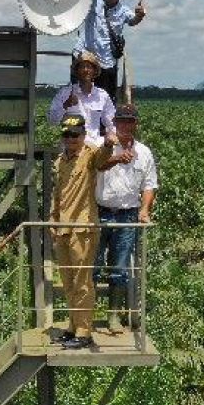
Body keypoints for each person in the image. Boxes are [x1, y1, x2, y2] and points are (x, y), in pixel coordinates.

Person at [51, 113, 116, 350]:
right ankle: (72, 326)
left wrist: (109, 143)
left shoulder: (89, 155)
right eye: (67, 135)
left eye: (75, 134)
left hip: (82, 227)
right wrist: (52, 221)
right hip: (61, 228)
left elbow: (102, 158)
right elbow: (57, 195)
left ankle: (84, 331)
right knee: (68, 282)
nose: (71, 139)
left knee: (82, 282)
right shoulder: (60, 160)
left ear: (83, 134)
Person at [95, 102, 158, 333]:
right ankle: (84, 316)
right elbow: (97, 166)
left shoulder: (144, 152)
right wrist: (117, 158)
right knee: (94, 265)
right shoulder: (103, 147)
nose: (125, 125)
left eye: (130, 121)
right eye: (121, 121)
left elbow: (150, 185)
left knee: (120, 266)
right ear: (115, 123)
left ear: (135, 124)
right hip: (100, 212)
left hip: (128, 215)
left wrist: (144, 210)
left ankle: (113, 316)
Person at [73, 0, 146, 100]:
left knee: (105, 101)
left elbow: (133, 21)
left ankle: (105, 126)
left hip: (107, 63)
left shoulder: (123, 10)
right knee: (80, 100)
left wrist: (140, 15)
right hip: (87, 58)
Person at [48, 50, 115, 145]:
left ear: (94, 71)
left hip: (94, 146)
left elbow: (111, 122)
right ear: (77, 71)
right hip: (71, 148)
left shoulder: (102, 95)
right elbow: (52, 120)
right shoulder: (65, 93)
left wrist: (111, 134)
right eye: (82, 67)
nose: (85, 70)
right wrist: (66, 105)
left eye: (89, 66)